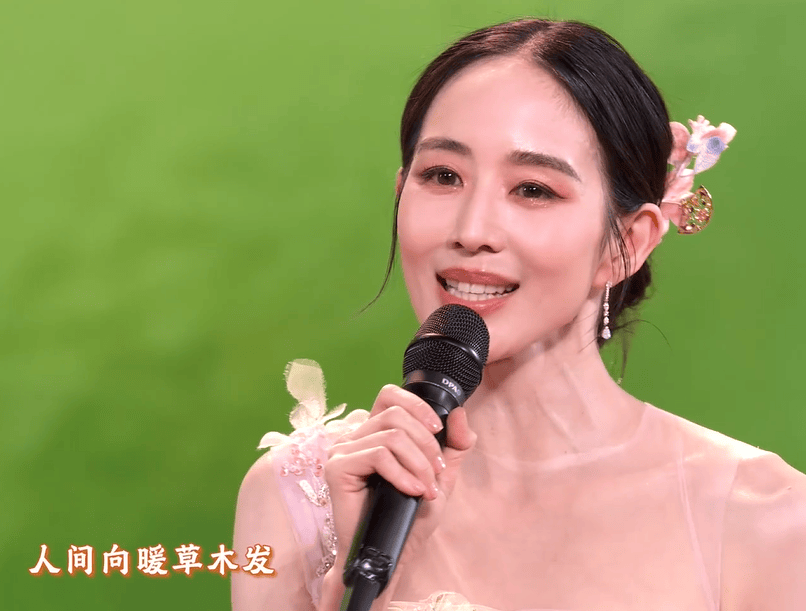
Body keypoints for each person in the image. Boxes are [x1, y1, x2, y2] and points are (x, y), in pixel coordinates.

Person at [232, 18, 806, 611]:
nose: (472, 230)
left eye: (533, 189)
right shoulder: (301, 493)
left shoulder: (765, 521)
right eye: (442, 176)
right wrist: (354, 584)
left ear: (627, 243)